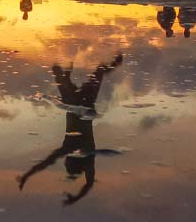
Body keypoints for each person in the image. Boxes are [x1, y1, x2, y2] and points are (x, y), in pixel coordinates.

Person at [17, 54, 123, 206]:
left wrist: (77, 198)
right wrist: (26, 176)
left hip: (84, 102)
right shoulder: (69, 150)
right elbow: (45, 163)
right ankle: (64, 71)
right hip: (75, 102)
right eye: (67, 163)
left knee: (98, 70)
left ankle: (68, 73)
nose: (65, 161)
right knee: (58, 72)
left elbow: (89, 183)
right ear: (71, 161)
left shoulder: (87, 154)